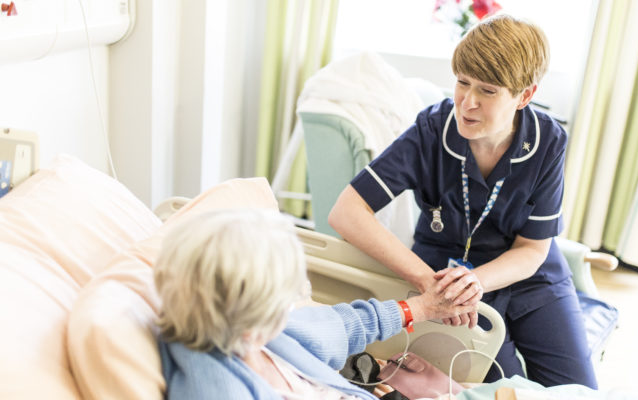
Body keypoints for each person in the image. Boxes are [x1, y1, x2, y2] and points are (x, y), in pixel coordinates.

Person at [328, 14, 597, 388]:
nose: (467, 103)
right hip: (443, 280)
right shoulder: (432, 130)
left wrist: (474, 281)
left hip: (528, 279)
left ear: (525, 95)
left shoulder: (547, 141)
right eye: (461, 83)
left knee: (578, 391)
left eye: (487, 91)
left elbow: (533, 248)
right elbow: (347, 212)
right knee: (500, 389)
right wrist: (432, 285)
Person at [155, 209, 478, 400]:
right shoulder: (217, 388)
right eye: (286, 296)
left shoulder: (262, 339)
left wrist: (423, 307)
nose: (295, 301)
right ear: (253, 314)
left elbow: (345, 325)